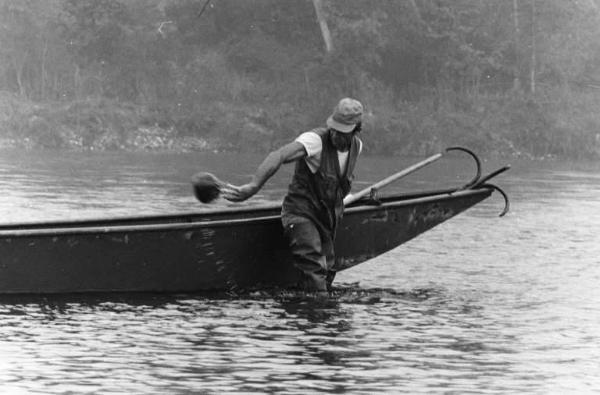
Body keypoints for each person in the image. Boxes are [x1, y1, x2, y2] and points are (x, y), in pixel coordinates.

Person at [221, 98, 364, 292]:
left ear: (356, 130)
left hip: (326, 219)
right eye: (334, 129)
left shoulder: (357, 147)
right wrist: (253, 187)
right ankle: (315, 311)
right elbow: (278, 156)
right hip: (301, 213)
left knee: (328, 270)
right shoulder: (314, 141)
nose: (336, 135)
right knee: (314, 267)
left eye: (343, 132)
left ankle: (312, 307)